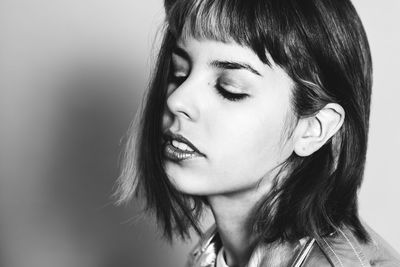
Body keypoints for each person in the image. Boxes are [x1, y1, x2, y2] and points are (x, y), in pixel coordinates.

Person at [116, 0, 400, 266]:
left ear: (314, 128)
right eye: (178, 73)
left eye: (229, 88)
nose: (176, 100)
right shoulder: (212, 255)